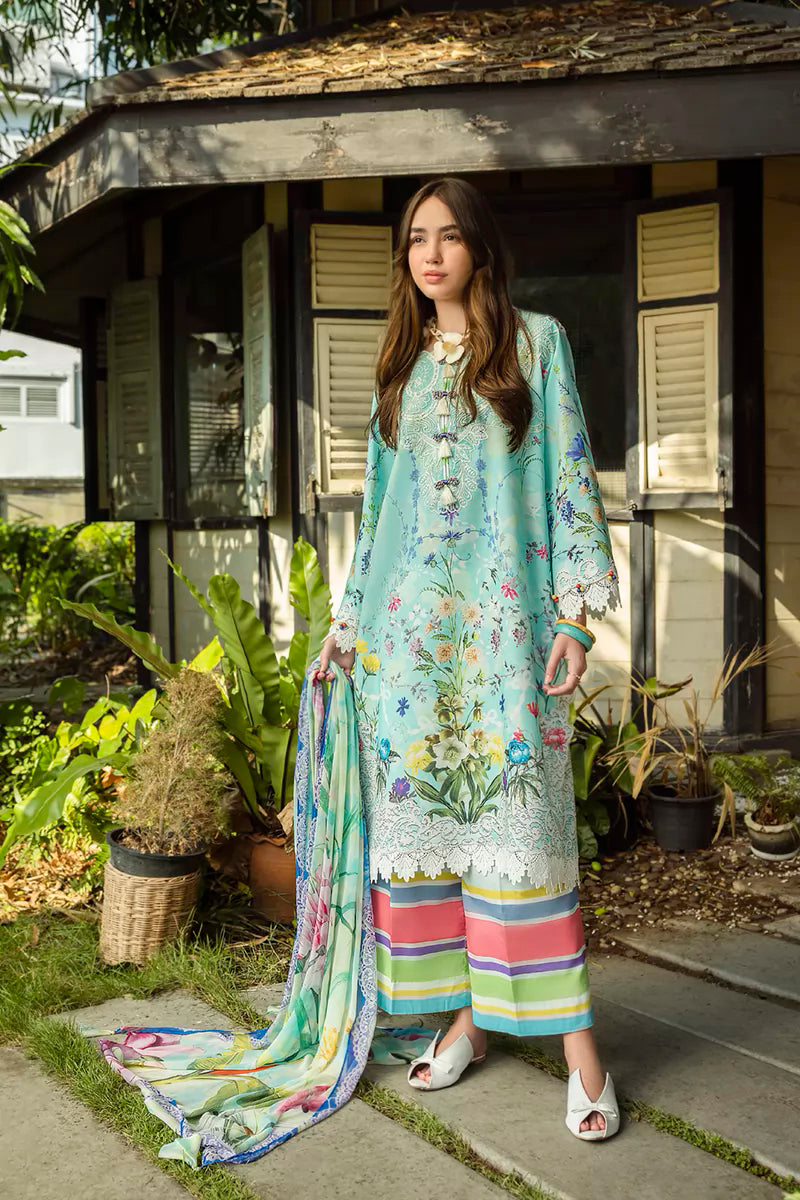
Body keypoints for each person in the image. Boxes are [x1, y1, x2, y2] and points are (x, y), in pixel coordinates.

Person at [311, 176, 621, 1140]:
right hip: (409, 654)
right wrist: (348, 628)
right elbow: (381, 515)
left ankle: (581, 1053)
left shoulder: (538, 344)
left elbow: (570, 477)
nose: (432, 254)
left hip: (508, 642)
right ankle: (466, 1020)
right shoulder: (401, 370)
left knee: (523, 838)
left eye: (449, 236)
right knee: (431, 842)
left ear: (480, 248)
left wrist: (575, 621)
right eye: (417, 239)